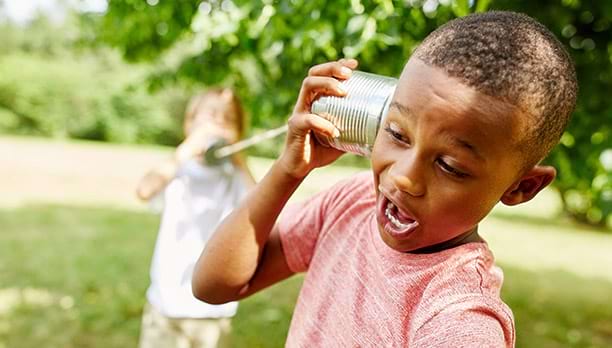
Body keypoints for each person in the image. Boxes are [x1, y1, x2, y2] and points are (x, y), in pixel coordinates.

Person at [192, 11, 577, 347]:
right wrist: (287, 171)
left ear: (521, 187)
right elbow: (216, 285)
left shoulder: (458, 321)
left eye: (450, 166)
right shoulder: (352, 203)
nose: (404, 177)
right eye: (396, 133)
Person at [136, 88, 254, 348]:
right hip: (165, 302)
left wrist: (239, 160)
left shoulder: (234, 175)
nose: (219, 122)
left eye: (228, 118)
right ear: (190, 122)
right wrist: (186, 149)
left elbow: (261, 211)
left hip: (212, 308)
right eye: (211, 115)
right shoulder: (178, 170)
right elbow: (144, 190)